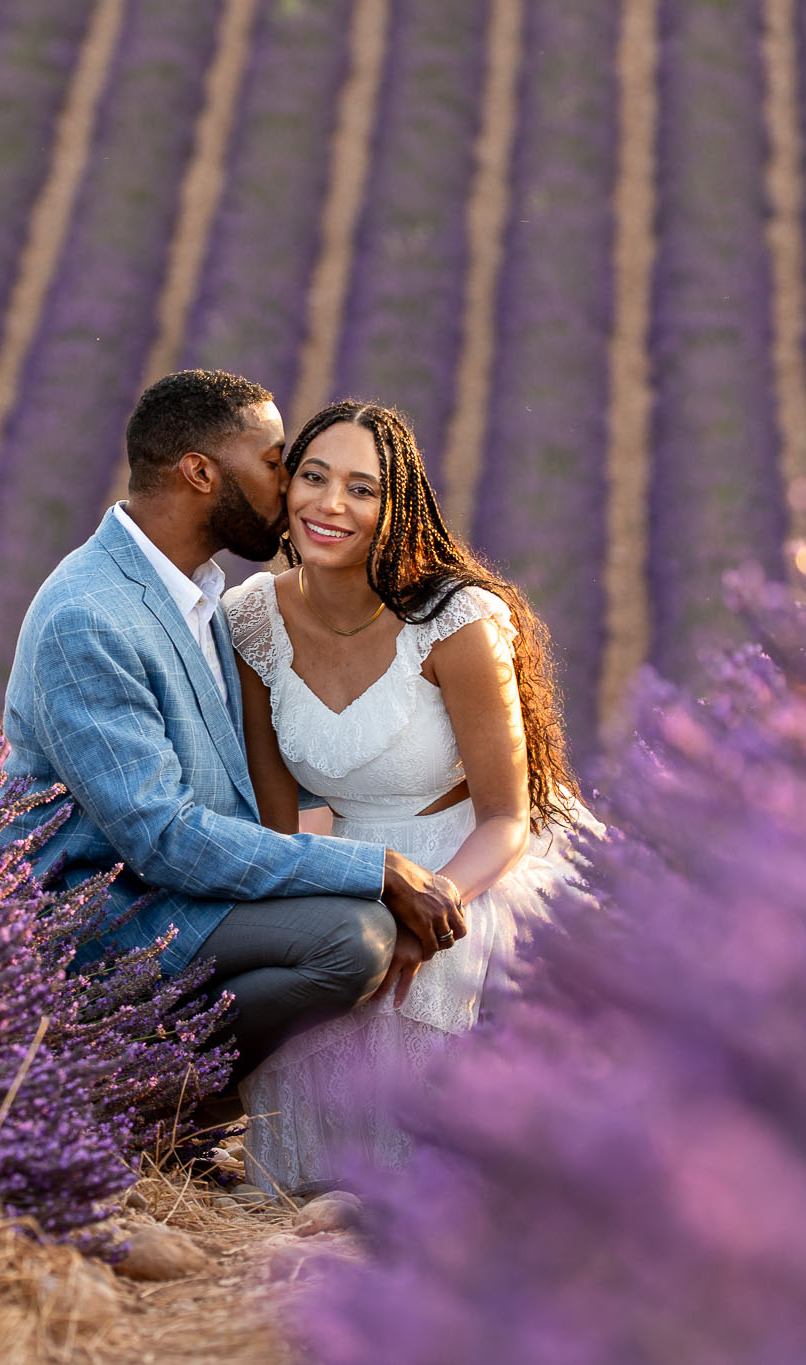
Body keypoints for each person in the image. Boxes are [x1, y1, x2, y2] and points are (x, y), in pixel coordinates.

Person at [0, 370, 466, 1105]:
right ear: (200, 472)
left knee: (359, 926)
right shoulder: (90, 615)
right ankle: (138, 1097)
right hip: (105, 917)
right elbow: (165, 837)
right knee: (350, 940)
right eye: (276, 462)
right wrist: (375, 866)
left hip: (177, 893)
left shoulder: (203, 591)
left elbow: (262, 764)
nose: (291, 489)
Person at [222, 399, 597, 1193]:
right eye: (314, 478)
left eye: (362, 488)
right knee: (307, 1000)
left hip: (473, 861)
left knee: (421, 997)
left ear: (397, 508)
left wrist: (435, 913)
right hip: (357, 863)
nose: (331, 505)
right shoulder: (252, 617)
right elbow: (272, 819)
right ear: (286, 488)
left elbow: (509, 818)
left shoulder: (455, 620)